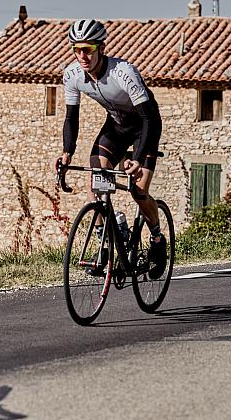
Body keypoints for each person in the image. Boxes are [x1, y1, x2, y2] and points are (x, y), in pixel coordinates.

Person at [54, 19, 166, 279]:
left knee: (138, 191)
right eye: (77, 49)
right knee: (97, 186)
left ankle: (158, 239)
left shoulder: (124, 72)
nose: (83, 55)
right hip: (116, 126)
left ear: (101, 47)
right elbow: (71, 117)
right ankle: (107, 244)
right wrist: (66, 152)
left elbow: (148, 117)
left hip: (145, 126)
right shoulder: (72, 75)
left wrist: (137, 159)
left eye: (88, 49)